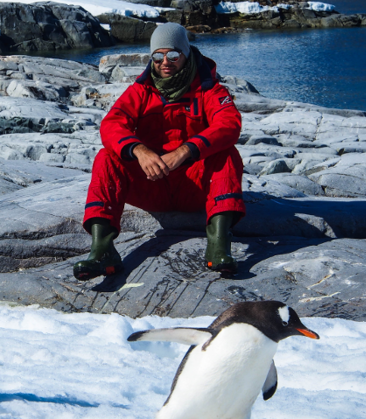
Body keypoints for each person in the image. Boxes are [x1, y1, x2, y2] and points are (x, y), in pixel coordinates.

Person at [73, 22, 245, 281]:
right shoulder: (140, 90)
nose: (166, 62)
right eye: (158, 56)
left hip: (195, 189)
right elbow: (112, 124)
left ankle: (219, 246)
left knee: (227, 154)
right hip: (151, 185)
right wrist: (139, 151)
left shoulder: (210, 89)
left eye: (173, 55)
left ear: (186, 54)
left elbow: (229, 124)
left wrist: (187, 150)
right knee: (106, 157)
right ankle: (102, 249)